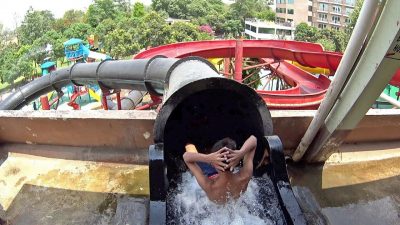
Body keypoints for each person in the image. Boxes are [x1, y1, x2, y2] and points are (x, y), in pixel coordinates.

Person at [183, 135, 257, 204]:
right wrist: (241, 153)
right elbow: (253, 139)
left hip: (212, 175)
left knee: (191, 148)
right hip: (234, 201)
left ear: (214, 164)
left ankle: (189, 143)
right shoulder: (245, 176)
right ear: (235, 161)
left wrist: (208, 158)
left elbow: (186, 157)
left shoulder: (209, 186)